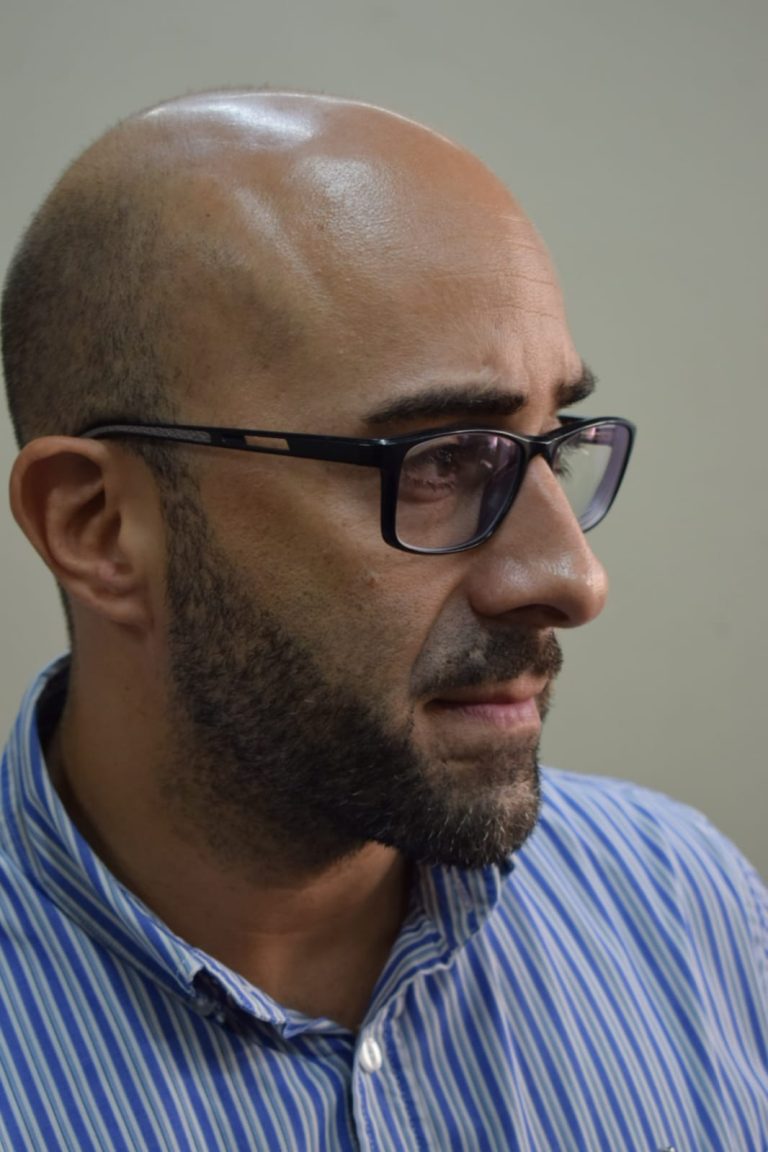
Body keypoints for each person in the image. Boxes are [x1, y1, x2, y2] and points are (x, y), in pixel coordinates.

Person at [0, 89, 765, 1152]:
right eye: (442, 461)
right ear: (97, 527)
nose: (573, 579)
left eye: (553, 446)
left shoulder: (684, 906)